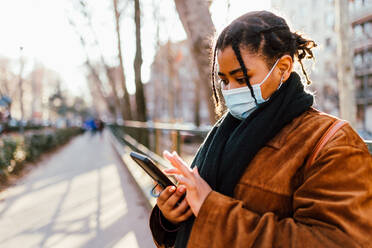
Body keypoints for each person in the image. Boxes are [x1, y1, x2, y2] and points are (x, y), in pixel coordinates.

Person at [149, 11, 372, 248]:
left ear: (283, 68)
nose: (230, 91)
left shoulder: (332, 142)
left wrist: (210, 208)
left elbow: (339, 241)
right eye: (224, 80)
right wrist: (170, 216)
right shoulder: (223, 132)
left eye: (242, 78)